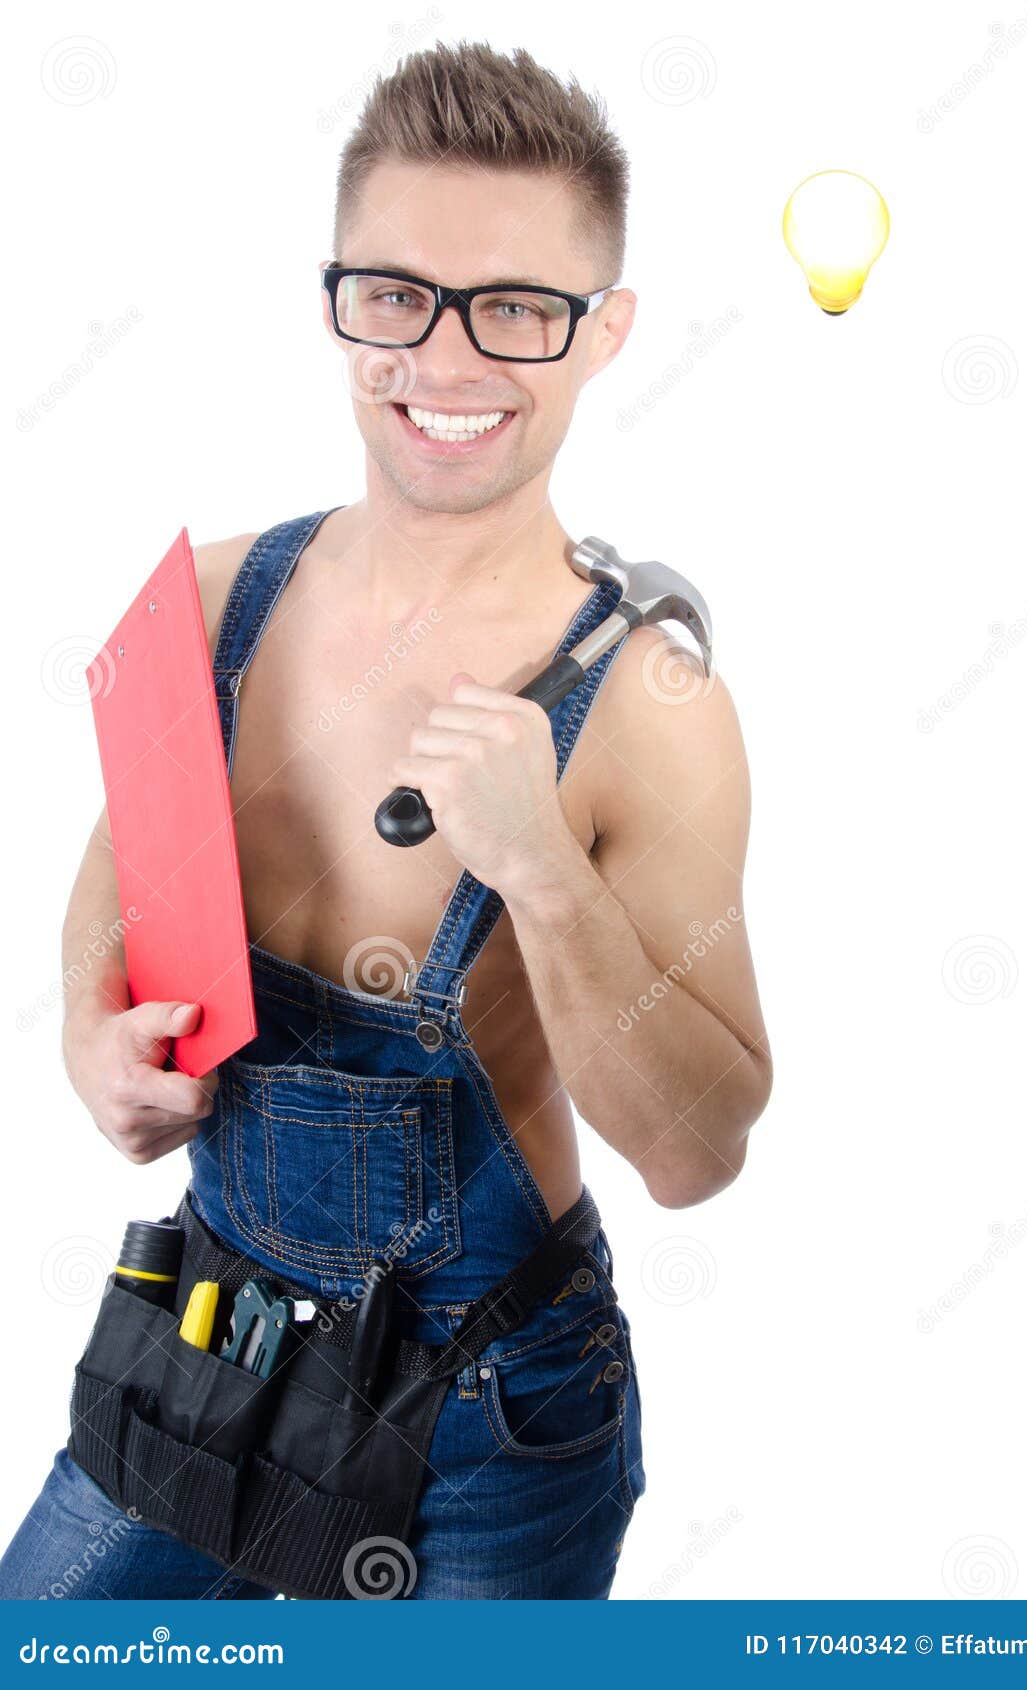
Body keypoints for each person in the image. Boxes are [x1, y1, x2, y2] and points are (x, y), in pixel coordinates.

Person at [0, 39, 771, 1601]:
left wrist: (545, 870)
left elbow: (699, 1154)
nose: (447, 357)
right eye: (398, 294)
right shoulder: (214, 597)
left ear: (604, 332)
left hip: (491, 1404)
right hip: (208, 1323)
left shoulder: (651, 711)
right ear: (338, 300)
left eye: (518, 308)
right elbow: (116, 851)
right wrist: (93, 1026)